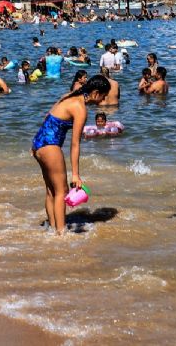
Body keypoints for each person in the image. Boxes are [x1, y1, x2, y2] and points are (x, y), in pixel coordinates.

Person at [31, 75, 111, 234]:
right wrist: (76, 175)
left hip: (38, 144)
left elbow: (47, 116)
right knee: (62, 191)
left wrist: (38, 143)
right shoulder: (80, 108)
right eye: (103, 95)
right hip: (50, 146)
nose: (103, 100)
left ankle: (52, 229)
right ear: (95, 93)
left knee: (51, 191)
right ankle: (61, 234)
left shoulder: (69, 96)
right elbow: (75, 144)